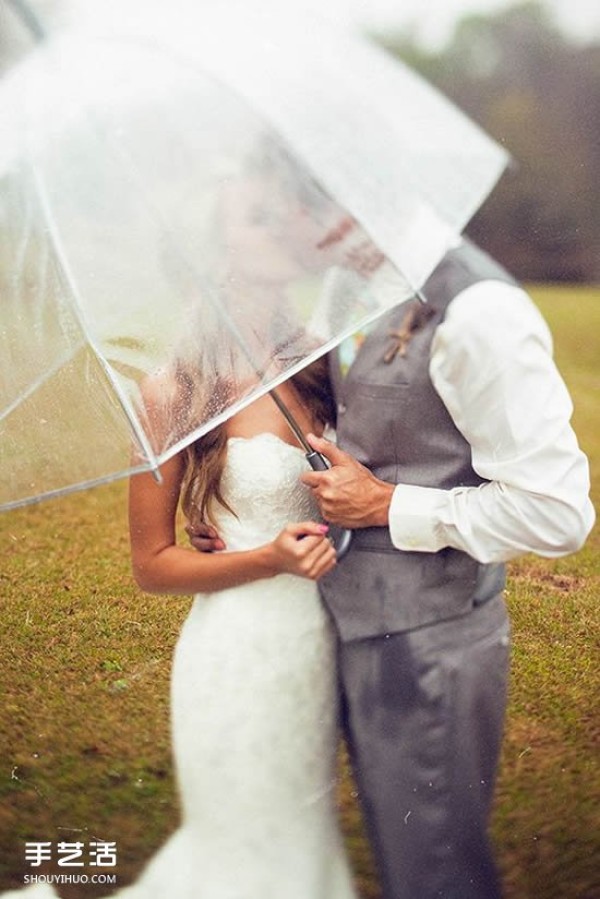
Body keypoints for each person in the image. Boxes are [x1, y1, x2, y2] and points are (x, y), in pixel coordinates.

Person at [191, 237, 595, 899]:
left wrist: (388, 504)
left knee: (434, 867)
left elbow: (558, 514)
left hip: (429, 640)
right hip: (343, 629)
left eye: (304, 204)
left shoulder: (478, 308)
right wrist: (240, 507)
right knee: (403, 852)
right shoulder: (350, 286)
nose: (299, 226)